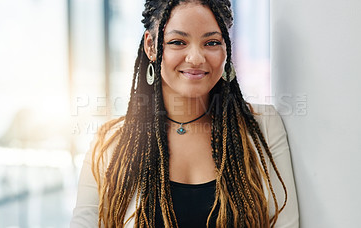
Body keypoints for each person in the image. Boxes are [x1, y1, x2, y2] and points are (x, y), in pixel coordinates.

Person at [71, 0, 299, 227]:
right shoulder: (110, 144)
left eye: (211, 42)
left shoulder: (263, 126)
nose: (196, 58)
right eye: (178, 42)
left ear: (226, 47)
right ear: (151, 46)